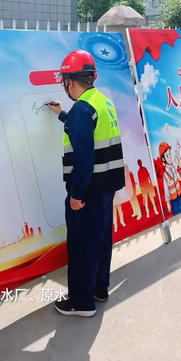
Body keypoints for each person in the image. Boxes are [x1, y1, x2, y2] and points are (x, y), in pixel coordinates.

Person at [47, 50, 125, 317]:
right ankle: (99, 289)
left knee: (82, 245)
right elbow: (88, 131)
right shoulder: (101, 101)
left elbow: (83, 155)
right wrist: (62, 114)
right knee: (100, 239)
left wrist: (77, 194)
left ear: (69, 81)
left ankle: (81, 303)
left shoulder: (82, 109)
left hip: (88, 189)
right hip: (105, 185)